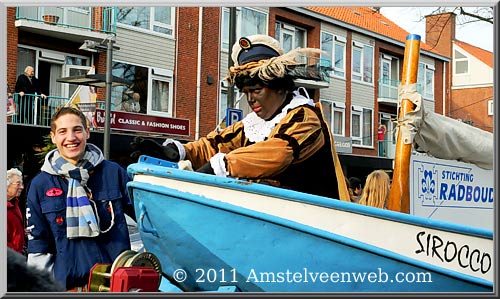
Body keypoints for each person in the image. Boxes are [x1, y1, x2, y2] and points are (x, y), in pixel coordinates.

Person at [131, 34, 342, 199]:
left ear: (279, 87)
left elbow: (278, 151)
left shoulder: (305, 116)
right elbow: (215, 144)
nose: (250, 99)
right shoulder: (252, 124)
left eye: (257, 90)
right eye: (246, 93)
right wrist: (178, 152)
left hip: (317, 224)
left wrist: (221, 166)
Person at [26, 106, 134, 291]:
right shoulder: (41, 184)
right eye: (62, 132)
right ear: (53, 137)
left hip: (118, 285)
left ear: (87, 132)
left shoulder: (113, 173)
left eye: (77, 129)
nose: (71, 138)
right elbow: (38, 245)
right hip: (70, 288)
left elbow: (148, 220)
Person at [7, 168, 26, 255]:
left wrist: (22, 232)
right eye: (18, 184)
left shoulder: (15, 204)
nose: (22, 187)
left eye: (21, 183)